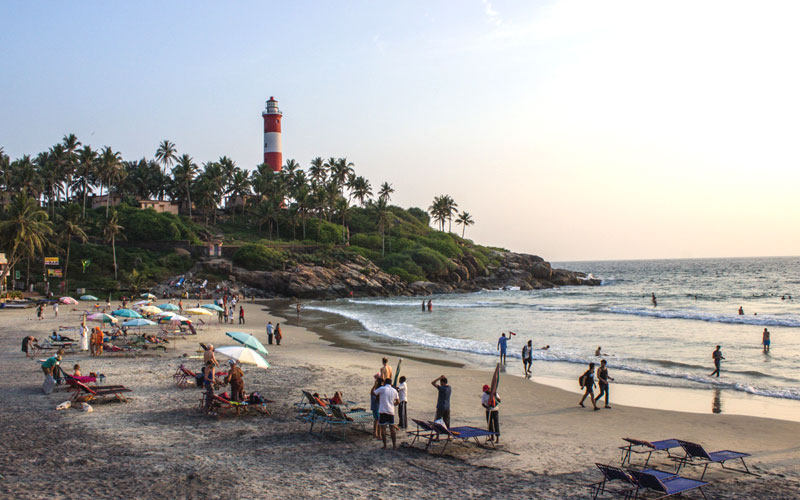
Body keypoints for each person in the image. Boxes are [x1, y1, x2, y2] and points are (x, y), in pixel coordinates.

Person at [373, 378, 400, 450]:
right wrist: (393, 404)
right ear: (391, 383)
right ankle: (394, 445)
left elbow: (374, 393)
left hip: (382, 410)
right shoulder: (394, 391)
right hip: (391, 411)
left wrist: (378, 398)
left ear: (385, 383)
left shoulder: (382, 388)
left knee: (383, 428)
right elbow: (398, 402)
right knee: (392, 428)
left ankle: (385, 445)